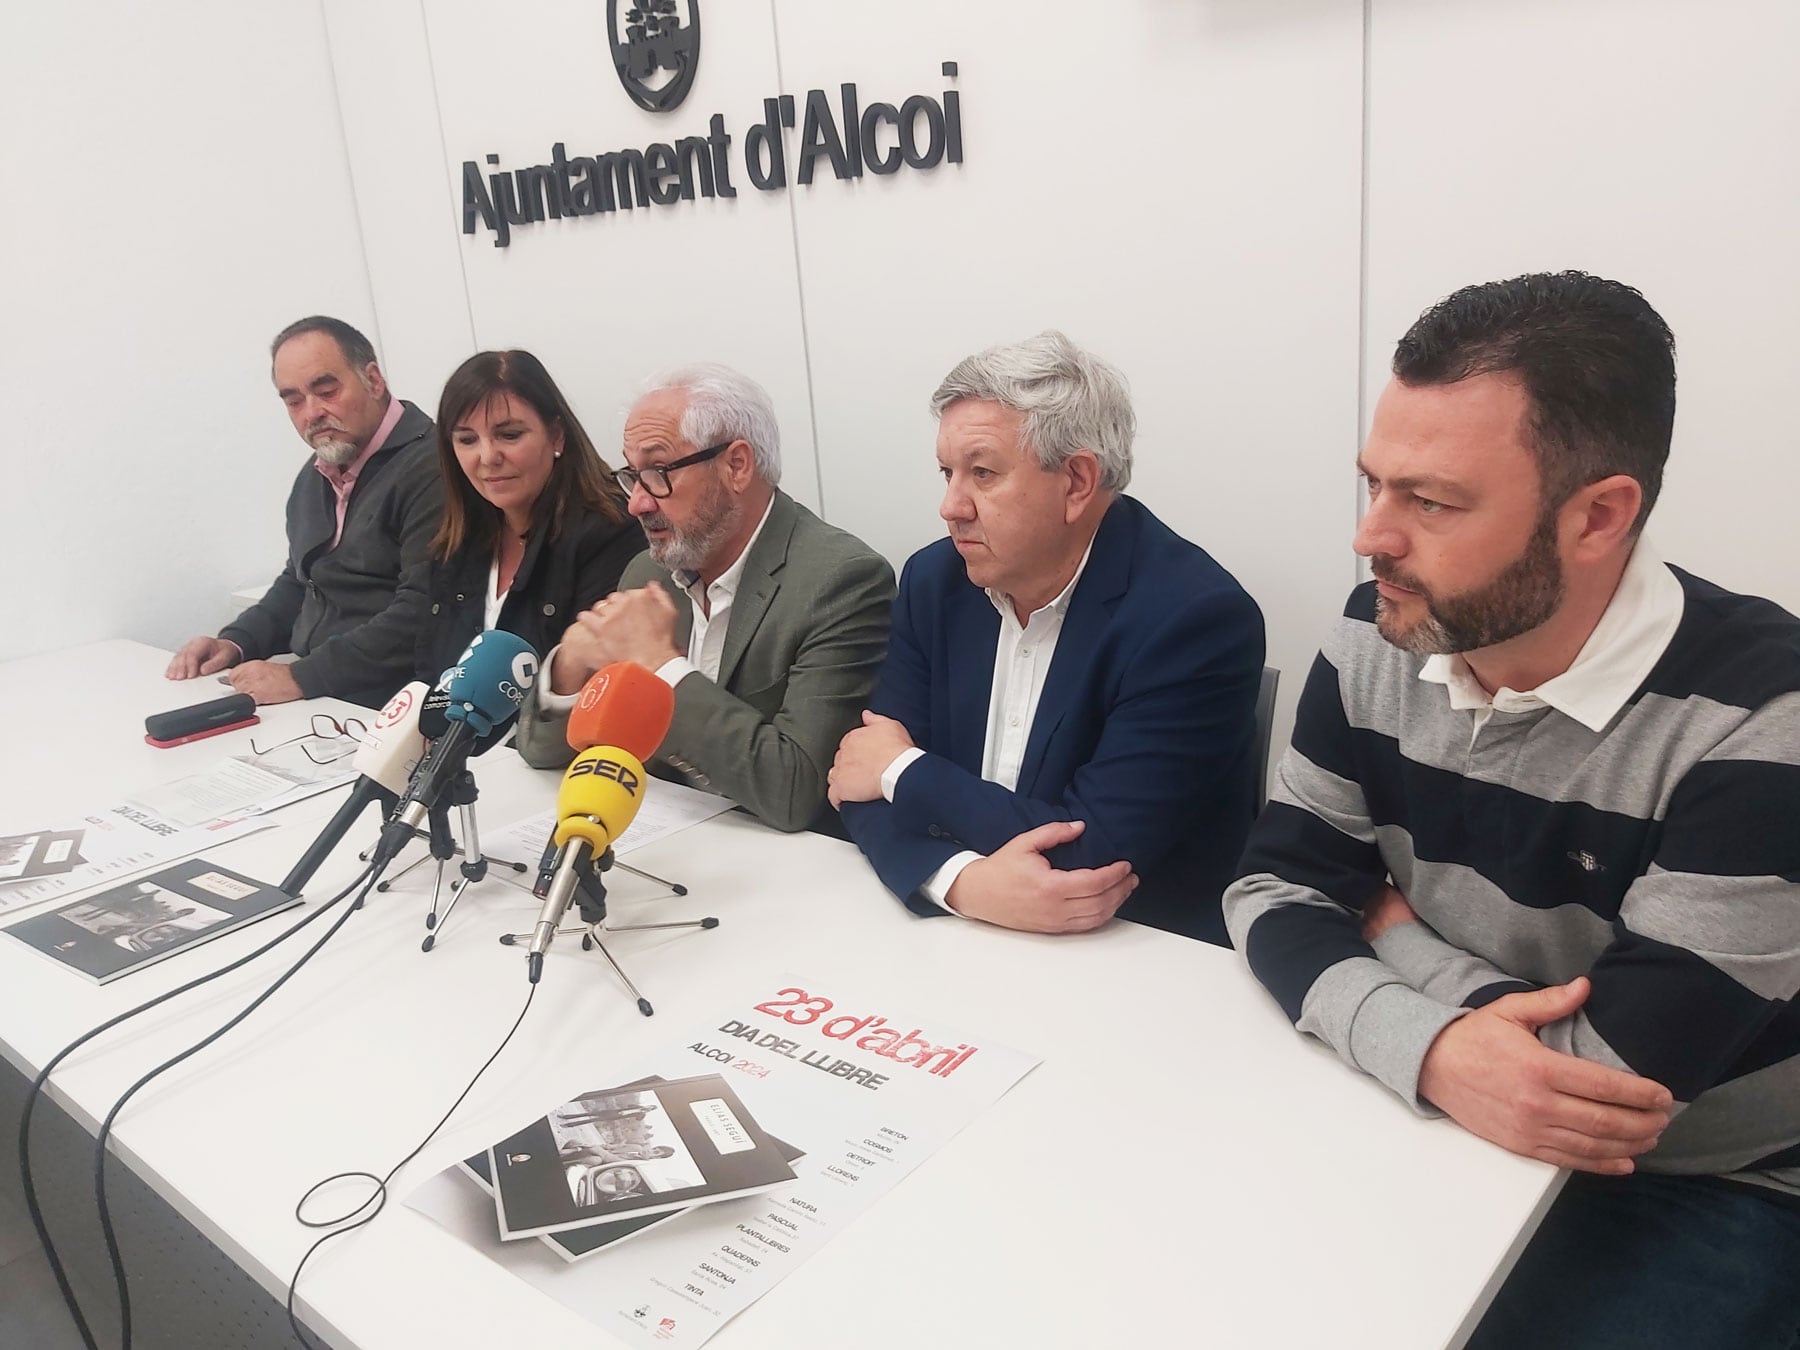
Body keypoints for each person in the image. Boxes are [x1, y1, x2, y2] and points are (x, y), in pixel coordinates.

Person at [1222, 272, 1800, 1348]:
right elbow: (1270, 888)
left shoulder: (1765, 717)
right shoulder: (1382, 630)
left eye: (1430, 501)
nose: (1371, 539)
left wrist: (1393, 934)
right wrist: (1441, 1053)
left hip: (1708, 1178)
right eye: (1374, 485)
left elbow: (1602, 1092)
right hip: (1434, 1108)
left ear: (1599, 516)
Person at [832, 331, 1265, 944]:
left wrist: (903, 769)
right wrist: (962, 883)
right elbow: (857, 783)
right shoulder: (935, 581)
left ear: (1078, 482)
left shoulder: (1194, 620)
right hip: (953, 930)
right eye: (947, 473)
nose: (951, 506)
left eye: (982, 474)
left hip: (1132, 956)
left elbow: (1093, 856)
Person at [514, 364, 896, 834]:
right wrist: (571, 666)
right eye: (631, 476)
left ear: (736, 465)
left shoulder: (841, 581)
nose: (637, 502)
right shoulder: (647, 573)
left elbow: (797, 792)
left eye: (658, 472)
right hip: (664, 840)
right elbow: (540, 750)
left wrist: (663, 667)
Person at [164, 316, 442, 707]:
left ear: (374, 381)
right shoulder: (318, 472)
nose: (311, 413)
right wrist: (236, 641)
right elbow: (302, 581)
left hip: (395, 708)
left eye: (326, 391)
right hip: (325, 698)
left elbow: (424, 612)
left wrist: (299, 677)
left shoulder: (435, 467)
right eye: (293, 400)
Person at [413, 350, 642, 683]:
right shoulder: (456, 540)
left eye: (509, 435)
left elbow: (593, 686)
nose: (488, 457)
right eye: (467, 440)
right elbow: (429, 672)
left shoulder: (611, 531)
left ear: (556, 436)